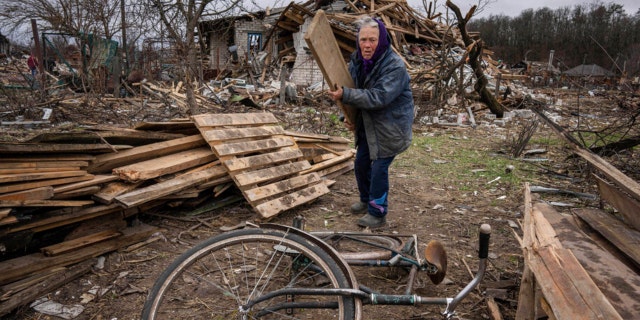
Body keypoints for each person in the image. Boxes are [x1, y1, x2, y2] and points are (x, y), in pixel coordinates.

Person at [327, 16, 414, 228]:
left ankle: (378, 213)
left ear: (382, 40)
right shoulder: (358, 62)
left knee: (378, 170)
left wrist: (345, 94)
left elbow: (379, 97)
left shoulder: (394, 66)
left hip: (391, 127)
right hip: (369, 124)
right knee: (361, 164)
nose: (367, 45)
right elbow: (353, 90)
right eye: (363, 39)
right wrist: (347, 116)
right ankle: (366, 200)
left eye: (372, 40)